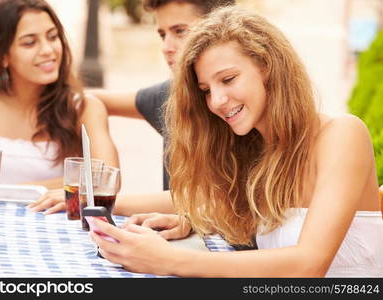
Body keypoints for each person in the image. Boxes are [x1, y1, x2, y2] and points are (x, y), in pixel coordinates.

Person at [89, 7, 383, 277]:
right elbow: (204, 202)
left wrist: (168, 260)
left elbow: (308, 265)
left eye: (228, 79)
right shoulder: (255, 151)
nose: (216, 101)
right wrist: (187, 220)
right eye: (205, 90)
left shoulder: (342, 135)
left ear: (267, 67)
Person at [32, 0, 236, 215]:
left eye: (180, 31)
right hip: (179, 235)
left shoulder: (237, 103)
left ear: (219, 28)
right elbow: (92, 99)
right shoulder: (171, 94)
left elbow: (209, 197)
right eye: (162, 35)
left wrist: (94, 200)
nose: (166, 47)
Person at [0, 0, 119, 199]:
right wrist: (66, 184)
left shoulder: (84, 108)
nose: (48, 50)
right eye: (30, 42)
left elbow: (107, 181)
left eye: (53, 37)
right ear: (2, 56)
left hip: (54, 226)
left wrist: (1, 190)